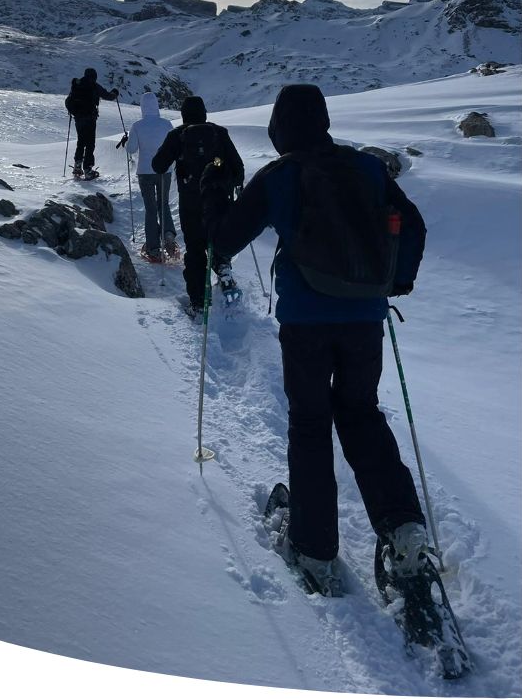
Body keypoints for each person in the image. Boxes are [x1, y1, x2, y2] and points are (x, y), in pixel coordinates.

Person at [200, 83, 428, 596]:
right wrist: (397, 280)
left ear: (281, 128)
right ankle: (404, 527)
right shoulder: (367, 168)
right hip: (366, 317)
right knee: (363, 414)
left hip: (305, 321)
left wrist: (214, 197)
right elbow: (411, 223)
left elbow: (223, 241)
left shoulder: (281, 176)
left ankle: (315, 548)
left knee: (309, 423)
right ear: (322, 120)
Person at [152, 95, 244, 318]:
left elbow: (157, 165)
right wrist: (224, 178)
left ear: (183, 115)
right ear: (204, 113)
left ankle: (198, 303)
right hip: (219, 202)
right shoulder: (219, 133)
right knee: (217, 243)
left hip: (191, 203)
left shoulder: (178, 135)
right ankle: (222, 268)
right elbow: (238, 169)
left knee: (195, 251)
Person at [119, 92, 178, 263]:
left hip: (145, 171)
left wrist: (127, 140)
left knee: (151, 209)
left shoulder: (137, 126)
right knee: (163, 204)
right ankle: (168, 236)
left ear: (143, 107)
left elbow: (131, 150)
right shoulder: (166, 124)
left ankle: (153, 248)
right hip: (164, 171)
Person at [65, 68, 119, 179]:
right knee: (90, 144)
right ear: (94, 76)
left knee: (81, 141)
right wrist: (115, 93)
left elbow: (68, 100)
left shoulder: (77, 84)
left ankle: (77, 167)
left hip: (78, 118)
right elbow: (108, 96)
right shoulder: (94, 85)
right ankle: (88, 169)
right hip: (90, 119)